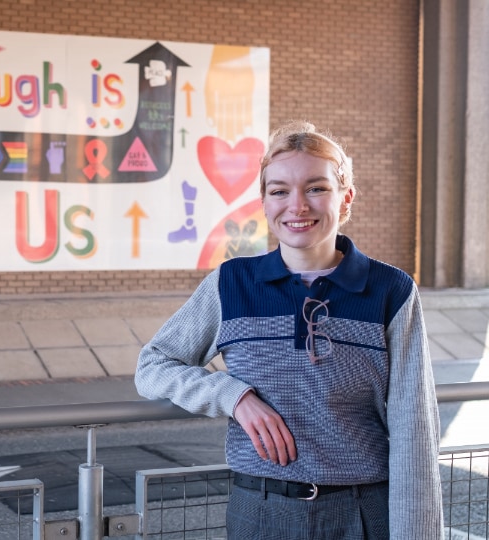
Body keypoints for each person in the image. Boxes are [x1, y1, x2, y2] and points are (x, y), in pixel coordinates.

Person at [135, 121, 442, 539]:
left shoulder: (391, 290)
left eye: (316, 188)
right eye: (279, 190)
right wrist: (232, 395)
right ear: (264, 201)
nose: (297, 206)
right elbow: (153, 365)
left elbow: (414, 434)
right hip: (259, 513)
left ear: (345, 196)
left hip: (362, 515)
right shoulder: (231, 284)